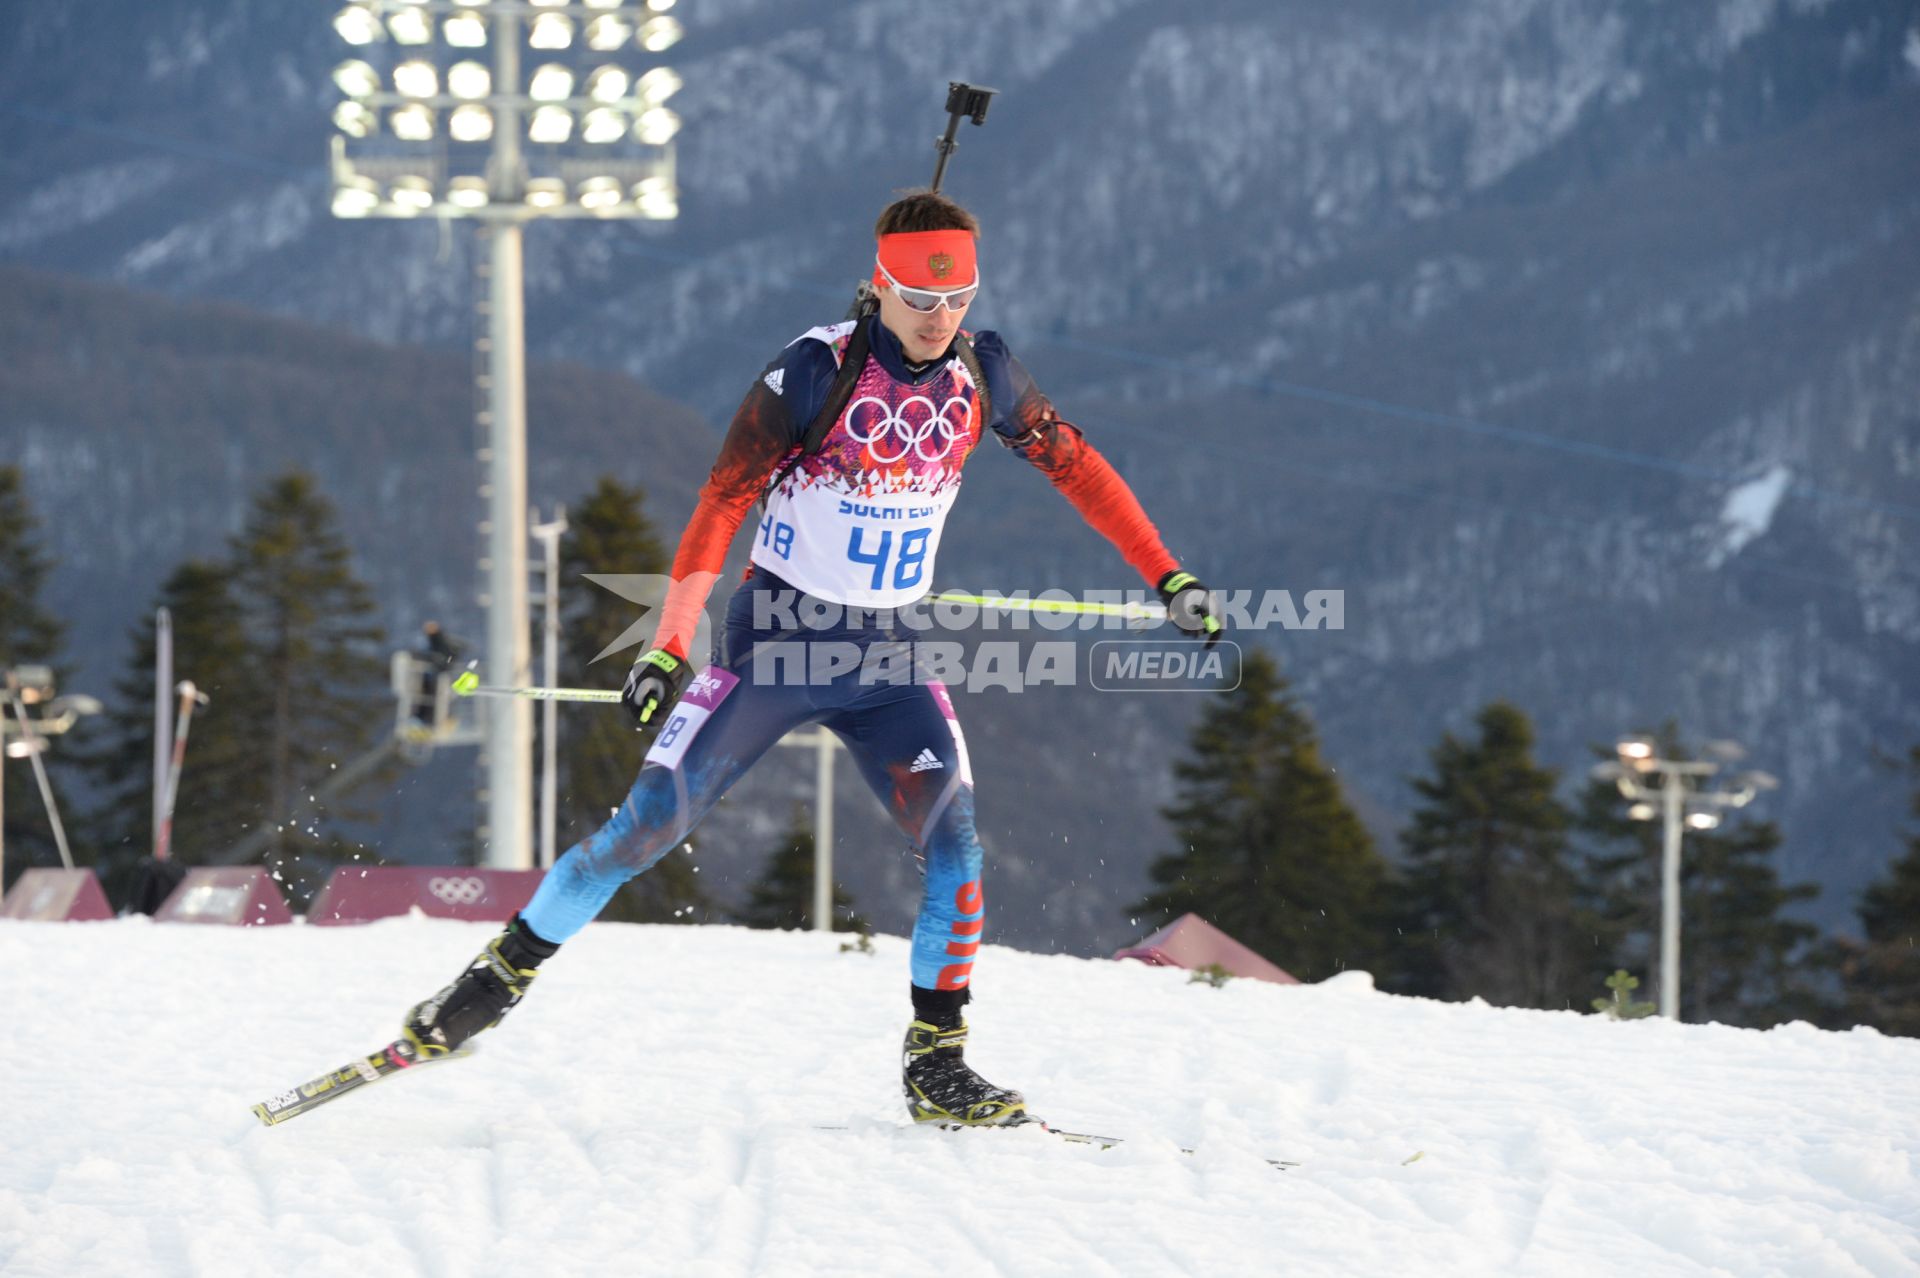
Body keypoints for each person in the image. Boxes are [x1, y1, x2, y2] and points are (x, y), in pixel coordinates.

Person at [398, 190, 1223, 1126]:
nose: (938, 318)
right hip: (777, 644)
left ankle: (937, 1064)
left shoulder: (984, 373)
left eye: (956, 300)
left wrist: (1168, 574)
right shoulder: (814, 372)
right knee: (647, 827)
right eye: (918, 298)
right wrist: (669, 643)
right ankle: (490, 985)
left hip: (885, 658)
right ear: (880, 286)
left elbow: (1076, 463)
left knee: (957, 846)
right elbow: (720, 502)